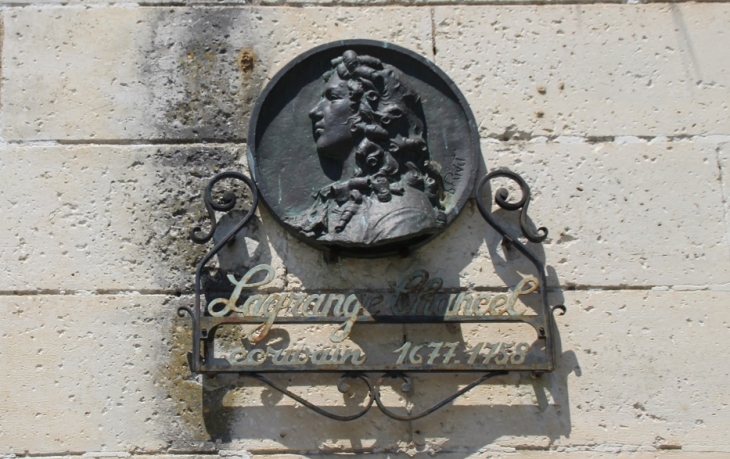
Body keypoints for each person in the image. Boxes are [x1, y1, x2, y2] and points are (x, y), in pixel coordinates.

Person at [285, 49, 446, 245]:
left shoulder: (403, 214)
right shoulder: (336, 197)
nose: (315, 111)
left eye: (333, 98)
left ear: (366, 112)